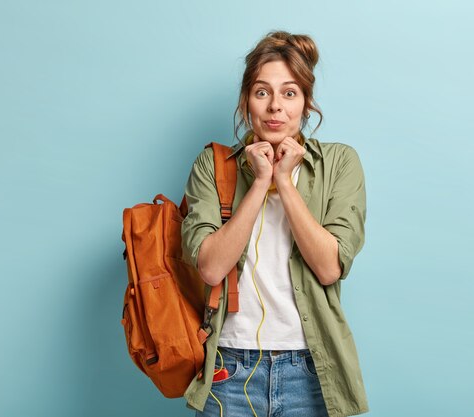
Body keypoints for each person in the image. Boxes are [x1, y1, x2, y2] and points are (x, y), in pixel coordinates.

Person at [181, 30, 368, 417]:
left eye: (289, 93)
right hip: (228, 367)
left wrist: (285, 180)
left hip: (310, 368)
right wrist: (261, 180)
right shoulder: (213, 166)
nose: (275, 108)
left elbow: (330, 267)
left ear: (306, 102)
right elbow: (211, 266)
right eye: (262, 92)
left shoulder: (339, 164)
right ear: (246, 101)